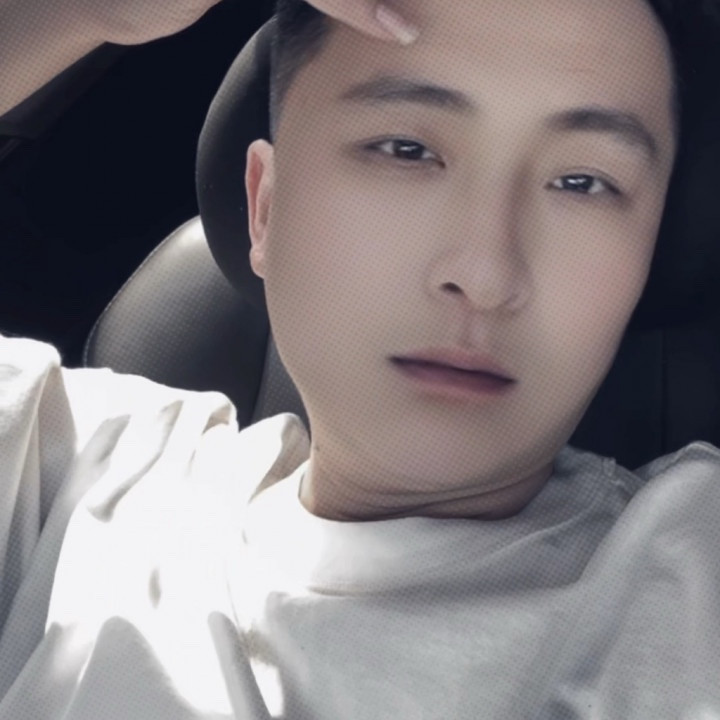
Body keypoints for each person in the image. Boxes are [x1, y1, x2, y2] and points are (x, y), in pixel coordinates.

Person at [0, 0, 719, 718]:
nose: (486, 276)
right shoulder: (70, 478)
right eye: (406, 149)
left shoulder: (689, 576)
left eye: (583, 183)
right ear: (264, 208)